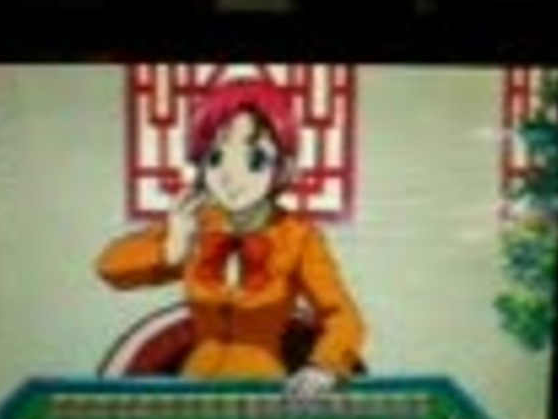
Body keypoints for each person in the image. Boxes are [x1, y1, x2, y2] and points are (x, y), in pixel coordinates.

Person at [96, 79, 365, 399]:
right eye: (216, 158)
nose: (230, 175)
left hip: (264, 390)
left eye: (255, 160)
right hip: (194, 387)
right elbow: (109, 268)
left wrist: (324, 365)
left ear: (284, 168)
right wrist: (171, 250)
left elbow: (344, 316)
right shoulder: (193, 221)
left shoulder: (299, 236)